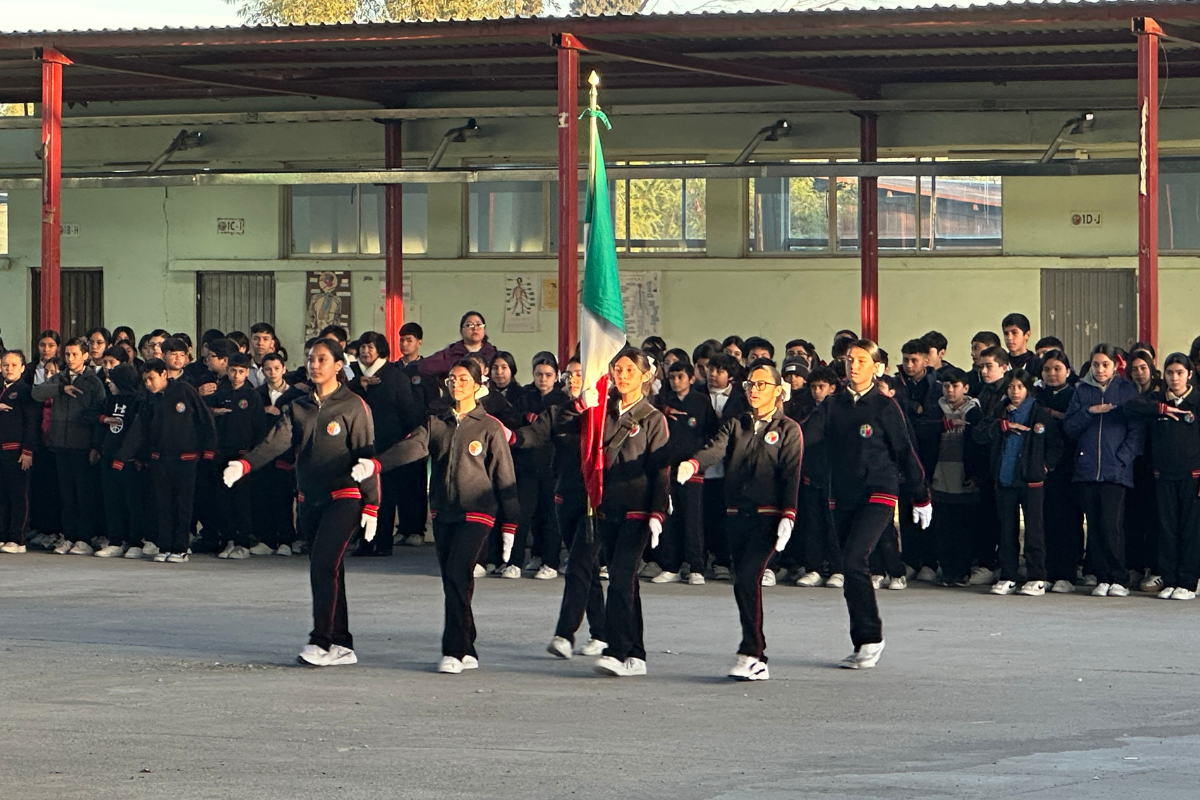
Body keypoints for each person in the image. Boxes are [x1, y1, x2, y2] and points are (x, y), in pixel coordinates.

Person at [353, 358, 518, 674]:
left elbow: (505, 477)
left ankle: (453, 650)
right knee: (456, 580)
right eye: (452, 379)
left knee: (457, 572)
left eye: (463, 379)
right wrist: (377, 464)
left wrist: (510, 522)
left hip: (478, 513)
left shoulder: (490, 427)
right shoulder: (436, 422)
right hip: (444, 511)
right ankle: (468, 643)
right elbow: (412, 447)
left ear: (477, 385)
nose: (456, 384)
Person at [225, 339, 379, 667]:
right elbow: (275, 442)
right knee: (327, 568)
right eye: (310, 358)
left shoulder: (354, 406)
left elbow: (367, 457)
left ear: (338, 365)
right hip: (310, 499)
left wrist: (372, 504)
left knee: (324, 562)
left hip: (345, 497)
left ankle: (321, 640)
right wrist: (245, 465)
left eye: (322, 359)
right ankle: (342, 643)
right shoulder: (298, 406)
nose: (314, 364)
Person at [804, 340, 931, 669]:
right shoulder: (832, 405)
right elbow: (805, 437)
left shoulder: (885, 407)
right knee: (849, 568)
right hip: (842, 494)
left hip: (879, 491)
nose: (854, 365)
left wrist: (920, 495)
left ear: (877, 368)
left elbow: (904, 451)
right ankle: (862, 641)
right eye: (850, 360)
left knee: (854, 558)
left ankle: (872, 637)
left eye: (862, 360)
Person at [677, 361, 802, 681]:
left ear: (779, 391)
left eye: (762, 385)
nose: (755, 390)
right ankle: (754, 651)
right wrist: (692, 464)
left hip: (768, 517)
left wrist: (789, 513)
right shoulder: (736, 425)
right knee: (741, 581)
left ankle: (753, 653)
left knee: (748, 577)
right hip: (736, 515)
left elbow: (791, 475)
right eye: (751, 384)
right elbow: (714, 450)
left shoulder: (788, 429)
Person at [554, 348, 670, 677]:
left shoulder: (652, 418)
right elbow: (561, 424)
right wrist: (582, 403)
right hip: (605, 508)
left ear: (646, 375)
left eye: (630, 370)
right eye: (617, 369)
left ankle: (617, 650)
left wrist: (658, 512)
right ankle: (636, 652)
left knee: (620, 577)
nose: (621, 375)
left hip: (638, 510)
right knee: (625, 581)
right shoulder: (601, 412)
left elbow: (660, 469)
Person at [1064, 343, 1143, 597]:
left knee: (1112, 525)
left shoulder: (1126, 390)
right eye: (1096, 364)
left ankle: (1118, 577)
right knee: (1094, 526)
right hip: (1087, 469)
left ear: (1115, 366)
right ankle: (1102, 576)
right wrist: (1090, 412)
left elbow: (1136, 431)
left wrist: (1122, 459)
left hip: (1115, 470)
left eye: (1105, 365)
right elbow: (1070, 427)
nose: (1100, 370)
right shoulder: (1082, 391)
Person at [974, 369, 1062, 596]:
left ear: (1028, 389)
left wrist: (1044, 466)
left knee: (1034, 530)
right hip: (1004, 479)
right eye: (1011, 387)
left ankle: (1036, 576)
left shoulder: (1038, 413)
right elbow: (979, 434)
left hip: (1031, 481)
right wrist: (1001, 426)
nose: (1015, 392)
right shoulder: (999, 411)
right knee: (1006, 530)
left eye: (1020, 387)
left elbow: (1056, 445)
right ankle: (1008, 575)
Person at [119, 359, 217, 562]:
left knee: (183, 504)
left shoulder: (184, 390)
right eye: (145, 380)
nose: (148, 384)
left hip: (186, 459)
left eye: (151, 379)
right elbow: (140, 429)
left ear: (164, 374)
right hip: (160, 459)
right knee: (162, 504)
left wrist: (209, 450)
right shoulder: (149, 399)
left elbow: (204, 419)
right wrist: (123, 455)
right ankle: (164, 546)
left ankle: (180, 547)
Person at [1124, 353, 1200, 600]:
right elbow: (1130, 405)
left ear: (1189, 374)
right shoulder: (1156, 399)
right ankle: (1170, 579)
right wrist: (1161, 408)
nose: (1174, 378)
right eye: (1170, 373)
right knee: (1166, 529)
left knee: (1189, 530)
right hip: (1163, 475)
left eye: (1179, 373)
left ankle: (1188, 582)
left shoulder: (1197, 402)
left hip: (1192, 476)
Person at [31, 338, 107, 556]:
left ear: (85, 356)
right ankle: (69, 535)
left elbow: (98, 413)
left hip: (82, 445)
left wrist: (95, 446)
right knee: (66, 495)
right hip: (60, 445)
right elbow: (37, 393)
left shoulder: (93, 382)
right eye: (67, 354)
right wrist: (61, 388)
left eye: (75, 354)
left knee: (83, 494)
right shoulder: (60, 377)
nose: (71, 359)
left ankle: (83, 537)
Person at [348, 332, 418, 558]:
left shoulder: (395, 377)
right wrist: (359, 384)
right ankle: (365, 542)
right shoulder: (355, 377)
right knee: (361, 494)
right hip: (359, 446)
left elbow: (409, 413)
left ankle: (383, 542)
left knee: (385, 495)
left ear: (380, 350)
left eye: (370, 347)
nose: (365, 352)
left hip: (388, 446)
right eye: (362, 347)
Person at [655, 358, 718, 584]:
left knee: (693, 518)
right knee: (669, 516)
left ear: (691, 378)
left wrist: (699, 456)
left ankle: (696, 567)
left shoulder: (701, 401)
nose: (675, 381)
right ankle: (670, 565)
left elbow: (713, 431)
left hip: (692, 469)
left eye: (681, 376)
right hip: (667, 467)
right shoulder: (663, 401)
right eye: (672, 377)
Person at [509, 353, 567, 578]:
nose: (543, 379)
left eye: (548, 375)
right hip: (526, 463)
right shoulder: (524, 396)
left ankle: (550, 561)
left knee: (551, 514)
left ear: (556, 376)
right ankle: (516, 560)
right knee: (524, 513)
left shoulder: (561, 401)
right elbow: (514, 419)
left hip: (553, 465)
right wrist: (527, 416)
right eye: (538, 374)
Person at [210, 352, 268, 559]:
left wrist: (251, 453)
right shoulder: (220, 392)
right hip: (221, 452)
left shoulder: (252, 395)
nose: (236, 375)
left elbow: (259, 427)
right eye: (233, 370)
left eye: (241, 371)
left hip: (242, 455)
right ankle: (228, 540)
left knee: (241, 501)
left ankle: (243, 543)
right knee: (222, 500)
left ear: (247, 373)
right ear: (227, 370)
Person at [927, 367, 980, 587]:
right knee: (943, 525)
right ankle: (947, 570)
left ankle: (961, 571)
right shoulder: (936, 409)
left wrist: (975, 473)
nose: (950, 390)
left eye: (955, 385)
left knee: (962, 526)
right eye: (946, 386)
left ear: (965, 388)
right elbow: (926, 438)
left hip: (962, 476)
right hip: (940, 474)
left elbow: (978, 445)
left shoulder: (974, 411)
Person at [1037, 350, 1083, 593]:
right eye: (1047, 369)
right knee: (1043, 520)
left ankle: (1067, 573)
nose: (1052, 374)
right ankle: (1045, 570)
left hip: (1068, 468)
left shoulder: (1075, 395)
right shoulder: (1034, 396)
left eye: (1057, 368)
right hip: (1040, 468)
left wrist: (1056, 416)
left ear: (1067, 370)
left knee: (1066, 520)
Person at [92, 364, 145, 558]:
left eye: (112, 380)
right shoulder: (110, 400)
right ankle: (115, 539)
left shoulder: (138, 401)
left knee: (132, 502)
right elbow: (91, 415)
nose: (108, 382)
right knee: (111, 500)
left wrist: (132, 456)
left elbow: (138, 433)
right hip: (108, 456)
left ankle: (135, 540)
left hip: (129, 461)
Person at [255, 352, 305, 555]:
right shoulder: (257, 394)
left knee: (284, 498)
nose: (272, 373)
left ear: (284, 369)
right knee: (265, 495)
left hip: (287, 453)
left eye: (276, 368)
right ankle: (267, 539)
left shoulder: (296, 395)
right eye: (268, 369)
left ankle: (286, 539)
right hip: (265, 453)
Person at [1125, 348, 1163, 590]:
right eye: (1134, 369)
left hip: (1155, 462)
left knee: (1155, 518)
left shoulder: (1160, 394)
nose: (1139, 373)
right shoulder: (1126, 392)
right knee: (1131, 517)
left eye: (1143, 368)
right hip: (1131, 462)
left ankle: (1156, 569)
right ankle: (1134, 567)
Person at [395, 322, 430, 549]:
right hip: (396, 433)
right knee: (399, 484)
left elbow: (430, 402)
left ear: (419, 342)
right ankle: (403, 528)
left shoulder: (425, 370)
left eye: (409, 340)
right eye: (402, 340)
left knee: (416, 483)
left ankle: (417, 529)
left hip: (417, 433)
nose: (405, 344)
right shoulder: (393, 369)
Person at [0, 350, 38, 554]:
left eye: (14, 365)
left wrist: (28, 450)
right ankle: (3, 534)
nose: (9, 369)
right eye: (6, 365)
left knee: (18, 495)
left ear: (23, 368)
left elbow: (31, 423)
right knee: (2, 495)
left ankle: (18, 538)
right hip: (0, 450)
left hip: (16, 450)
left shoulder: (24, 391)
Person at [418, 311, 497, 382]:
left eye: (479, 325)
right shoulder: (451, 352)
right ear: (461, 331)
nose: (475, 328)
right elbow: (424, 366)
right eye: (469, 325)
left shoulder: (493, 353)